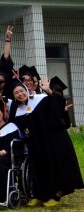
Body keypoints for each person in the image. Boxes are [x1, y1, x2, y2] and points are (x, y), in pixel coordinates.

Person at [9, 78, 83, 207]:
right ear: (14, 96)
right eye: (16, 93)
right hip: (36, 144)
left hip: (54, 140)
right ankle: (41, 195)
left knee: (57, 166)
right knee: (40, 168)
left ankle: (57, 195)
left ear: (26, 90)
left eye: (21, 91)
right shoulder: (18, 109)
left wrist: (49, 90)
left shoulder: (41, 99)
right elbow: (20, 126)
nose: (20, 94)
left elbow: (58, 105)